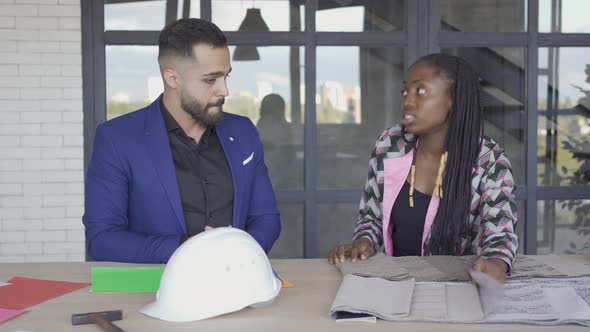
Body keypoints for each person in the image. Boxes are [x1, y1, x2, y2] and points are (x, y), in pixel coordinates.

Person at [83, 18, 281, 263]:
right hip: (155, 290)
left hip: (238, 282)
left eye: (226, 77)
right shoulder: (117, 138)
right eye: (211, 79)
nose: (224, 91)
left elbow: (266, 218)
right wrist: (190, 250)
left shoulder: (243, 131)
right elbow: (102, 239)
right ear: (172, 78)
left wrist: (238, 255)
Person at [328, 53, 518, 282]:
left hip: (458, 292)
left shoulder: (489, 161)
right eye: (405, 92)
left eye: (420, 91)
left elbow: (500, 235)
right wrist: (364, 242)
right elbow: (372, 218)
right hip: (396, 286)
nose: (408, 101)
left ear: (454, 99)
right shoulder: (389, 144)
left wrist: (495, 264)